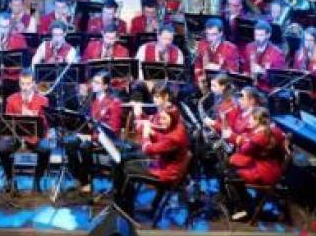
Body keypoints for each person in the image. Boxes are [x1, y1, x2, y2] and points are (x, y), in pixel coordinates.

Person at [121, 84, 190, 216]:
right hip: (164, 162)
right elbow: (160, 133)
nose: (161, 121)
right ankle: (126, 202)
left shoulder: (174, 136)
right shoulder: (173, 121)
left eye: (164, 118)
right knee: (125, 159)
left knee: (125, 165)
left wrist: (146, 133)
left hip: (166, 171)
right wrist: (146, 124)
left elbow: (148, 149)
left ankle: (125, 206)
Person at [62, 72, 122, 195]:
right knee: (69, 142)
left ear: (105, 86)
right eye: (93, 82)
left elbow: (113, 129)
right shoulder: (92, 100)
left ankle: (87, 182)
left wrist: (91, 136)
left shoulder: (113, 102)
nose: (93, 85)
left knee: (85, 146)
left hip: (105, 139)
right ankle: (80, 178)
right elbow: (86, 121)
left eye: (97, 83)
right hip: (91, 135)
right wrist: (83, 132)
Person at [225, 107, 287, 221]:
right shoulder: (274, 130)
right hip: (273, 168)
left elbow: (244, 150)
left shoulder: (260, 136)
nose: (248, 121)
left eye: (251, 119)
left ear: (258, 121)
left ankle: (245, 210)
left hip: (264, 172)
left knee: (231, 176)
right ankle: (246, 206)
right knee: (232, 171)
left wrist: (234, 137)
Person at [0, 70, 52, 194]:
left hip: (36, 137)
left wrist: (34, 117)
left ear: (33, 84)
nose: (25, 87)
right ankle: (11, 180)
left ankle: (37, 180)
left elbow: (46, 124)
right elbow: (7, 122)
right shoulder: (11, 100)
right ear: (19, 84)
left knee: (46, 148)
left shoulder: (43, 101)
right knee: (1, 147)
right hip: (17, 137)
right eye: (22, 84)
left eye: (28, 84)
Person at [192, 17, 242, 89]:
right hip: (204, 83)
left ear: (221, 33)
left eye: (213, 34)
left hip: (222, 86)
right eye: (207, 34)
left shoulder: (231, 48)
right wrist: (199, 79)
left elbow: (233, 73)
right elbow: (198, 64)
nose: (210, 38)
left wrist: (220, 68)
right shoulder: (202, 44)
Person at [245, 20, 286, 91]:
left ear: (268, 35)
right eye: (256, 35)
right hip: (249, 87)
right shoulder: (249, 47)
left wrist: (262, 71)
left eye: (261, 35)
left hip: (265, 90)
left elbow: (277, 80)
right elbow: (245, 68)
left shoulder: (277, 54)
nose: (257, 38)